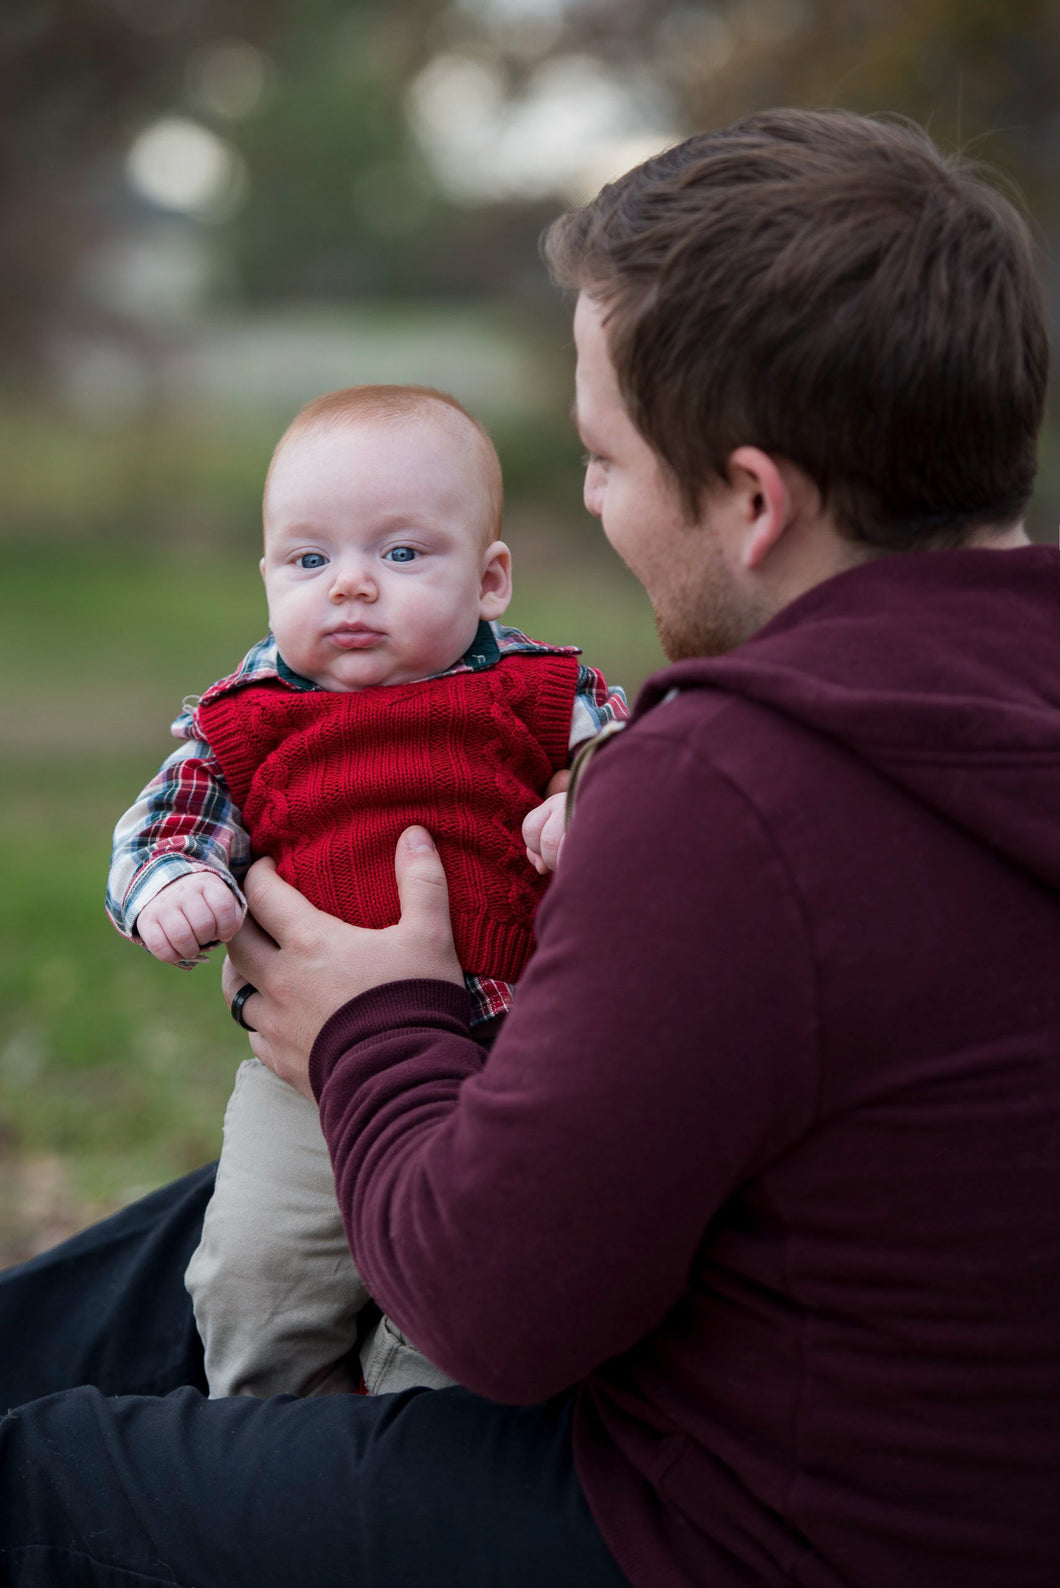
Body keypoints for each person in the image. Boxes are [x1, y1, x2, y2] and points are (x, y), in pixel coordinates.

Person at [1, 108, 1057, 1588]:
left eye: (603, 462)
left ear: (754, 500)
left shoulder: (744, 787)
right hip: (941, 1449)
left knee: (43, 1486)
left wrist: (372, 1021)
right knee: (184, 1247)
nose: (596, 506)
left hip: (728, 1523)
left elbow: (499, 1306)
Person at [105, 381, 627, 1400]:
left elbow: (636, 768)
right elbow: (160, 828)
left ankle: (409, 1440)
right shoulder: (244, 720)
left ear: (489, 580)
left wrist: (585, 802)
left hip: (508, 1070)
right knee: (256, 1274)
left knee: (455, 1316)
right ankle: (268, 1443)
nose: (350, 585)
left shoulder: (541, 693)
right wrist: (174, 883)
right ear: (267, 576)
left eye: (399, 554)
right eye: (310, 559)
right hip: (305, 1081)